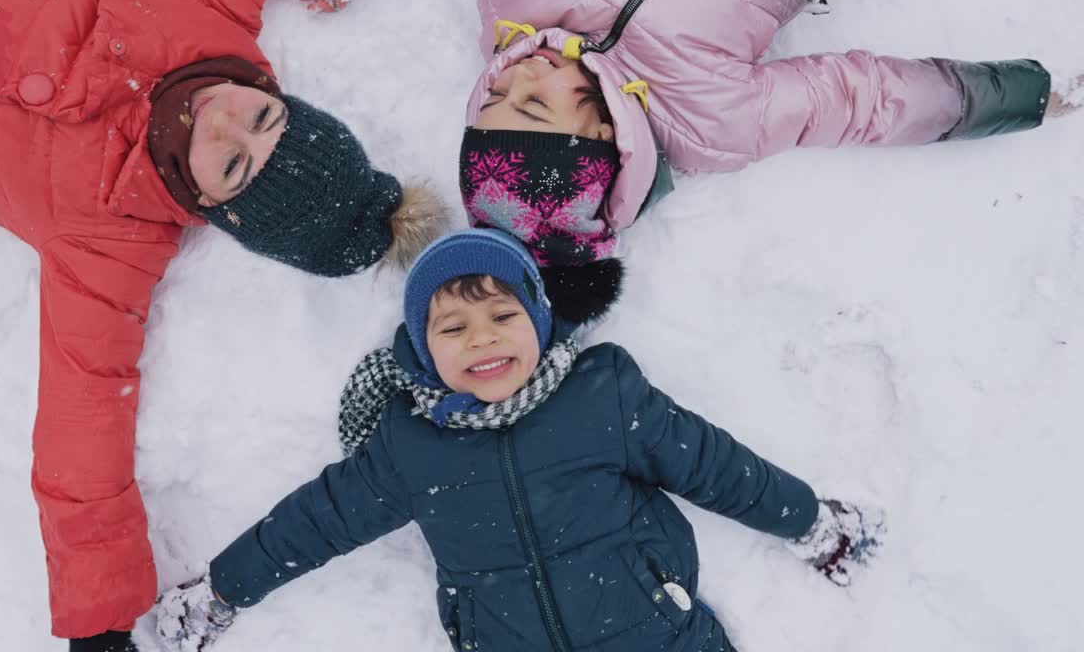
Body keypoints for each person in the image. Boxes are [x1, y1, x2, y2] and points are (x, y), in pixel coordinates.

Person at [0, 0, 446, 649]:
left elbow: (83, 433)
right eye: (265, 118)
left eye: (233, 164)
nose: (226, 119)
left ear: (217, 207)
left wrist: (101, 617)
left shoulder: (113, 234)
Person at [153, 228, 885, 652]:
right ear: (421, 351)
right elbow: (316, 522)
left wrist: (809, 520)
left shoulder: (602, 397)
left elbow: (716, 467)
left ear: (537, 322)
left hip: (654, 633)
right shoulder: (409, 446)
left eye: (502, 317)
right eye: (453, 328)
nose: (483, 341)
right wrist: (220, 591)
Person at [302, 0, 1082, 321]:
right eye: (532, 104)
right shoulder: (712, 121)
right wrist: (1018, 96)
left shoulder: (514, 17)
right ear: (601, 141)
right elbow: (870, 99)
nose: (514, 73)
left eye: (492, 100)